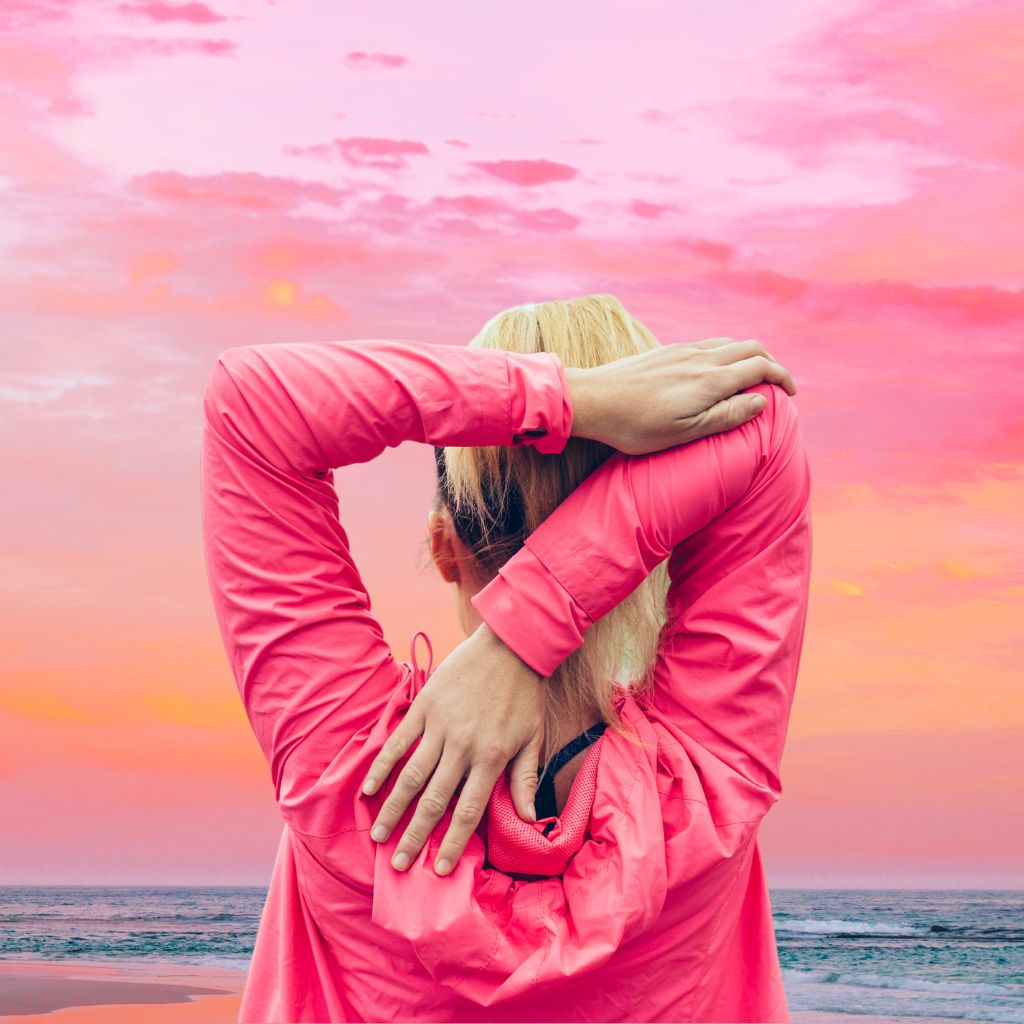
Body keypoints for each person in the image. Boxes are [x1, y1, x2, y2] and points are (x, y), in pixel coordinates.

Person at [200, 293, 812, 1022]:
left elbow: (253, 402)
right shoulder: (710, 789)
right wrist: (533, 622)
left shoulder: (346, 770)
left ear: (443, 545)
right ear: (665, 542)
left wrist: (571, 402)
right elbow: (763, 424)